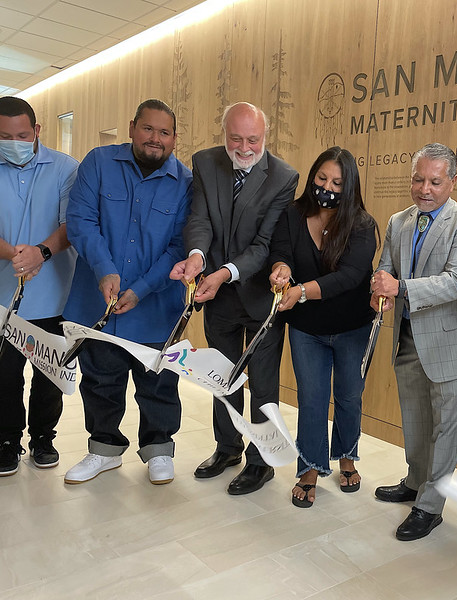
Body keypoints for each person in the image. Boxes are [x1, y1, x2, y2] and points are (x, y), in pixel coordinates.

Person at [170, 102, 298, 495]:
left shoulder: (283, 177)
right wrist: (197, 256)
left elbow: (264, 245)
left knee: (262, 385)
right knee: (221, 379)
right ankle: (227, 448)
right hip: (218, 297)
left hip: (259, 295)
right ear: (224, 133)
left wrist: (224, 272)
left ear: (266, 137)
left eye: (253, 140)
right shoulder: (205, 163)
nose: (244, 147)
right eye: (236, 138)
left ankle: (261, 463)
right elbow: (201, 219)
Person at [62, 99, 192, 485]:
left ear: (174, 138)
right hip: (97, 301)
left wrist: (142, 288)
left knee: (158, 383)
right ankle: (103, 450)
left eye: (164, 132)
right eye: (148, 129)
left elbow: (179, 245)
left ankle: (158, 449)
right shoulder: (98, 163)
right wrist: (105, 271)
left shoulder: (185, 182)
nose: (155, 139)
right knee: (100, 379)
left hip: (156, 304)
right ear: (133, 127)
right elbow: (80, 220)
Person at [371, 142, 457, 541]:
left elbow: (456, 282)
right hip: (406, 339)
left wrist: (398, 286)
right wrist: (380, 289)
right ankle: (415, 480)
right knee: (416, 420)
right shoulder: (398, 220)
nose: (425, 189)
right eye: (418, 179)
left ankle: (430, 506)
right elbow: (384, 269)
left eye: (435, 181)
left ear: (452, 182)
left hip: (452, 345)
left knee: (446, 429)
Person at [268, 146, 378, 507]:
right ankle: (310, 469)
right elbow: (281, 250)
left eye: (337, 182)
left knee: (348, 397)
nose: (327, 187)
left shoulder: (362, 225)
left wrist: (300, 291)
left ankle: (347, 456)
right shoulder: (293, 214)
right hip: (306, 329)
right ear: (312, 176)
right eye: (321, 178)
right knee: (311, 400)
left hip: (352, 326)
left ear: (350, 187)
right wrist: (282, 270)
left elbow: (349, 276)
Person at [0, 97, 78, 476]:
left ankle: (44, 437)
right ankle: (8, 440)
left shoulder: (66, 168)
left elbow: (72, 225)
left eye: (23, 135)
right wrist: (15, 253)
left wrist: (40, 252)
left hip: (56, 294)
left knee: (50, 374)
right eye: (4, 136)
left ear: (37, 131)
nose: (15, 141)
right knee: (2, 375)